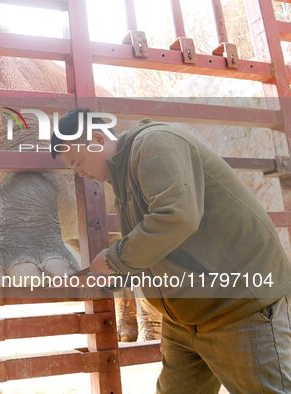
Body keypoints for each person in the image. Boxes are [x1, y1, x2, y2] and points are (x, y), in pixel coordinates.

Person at [52, 108, 291, 393]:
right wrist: (113, 276)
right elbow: (157, 249)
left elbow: (177, 217)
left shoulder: (154, 143)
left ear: (94, 137)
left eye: (77, 162)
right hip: (184, 321)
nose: (80, 173)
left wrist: (115, 259)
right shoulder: (123, 178)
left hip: (237, 311)